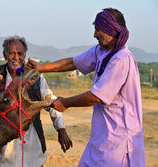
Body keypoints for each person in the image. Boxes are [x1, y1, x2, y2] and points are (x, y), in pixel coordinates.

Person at [25, 8, 145, 167]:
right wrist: (41, 68)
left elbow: (95, 97)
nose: (94, 35)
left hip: (120, 142)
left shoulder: (121, 59)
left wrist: (65, 103)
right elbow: (73, 62)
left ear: (111, 30)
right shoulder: (102, 51)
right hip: (102, 139)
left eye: (97, 30)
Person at [0, 35, 73, 167]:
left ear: (25, 55)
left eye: (19, 53)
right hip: (4, 140)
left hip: (31, 140)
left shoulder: (35, 77)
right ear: (4, 54)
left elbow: (50, 101)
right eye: (11, 53)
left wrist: (61, 129)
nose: (16, 57)